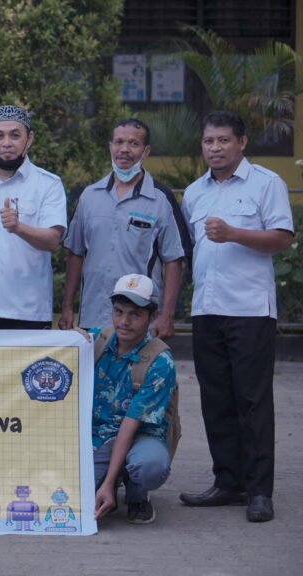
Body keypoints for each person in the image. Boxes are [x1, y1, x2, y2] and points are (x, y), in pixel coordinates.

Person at [178, 111, 294, 523]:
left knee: (252, 401)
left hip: (249, 311)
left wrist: (235, 233)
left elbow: (281, 238)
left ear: (241, 143)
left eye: (224, 141)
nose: (215, 148)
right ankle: (228, 482)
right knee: (216, 401)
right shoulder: (194, 192)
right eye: (209, 141)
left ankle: (260, 490)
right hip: (207, 310)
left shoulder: (267, 184)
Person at [61, 119, 188, 338]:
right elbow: (75, 253)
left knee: (138, 373)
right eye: (119, 142)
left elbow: (173, 260)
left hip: (140, 320)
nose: (124, 149)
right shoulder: (90, 196)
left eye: (133, 143)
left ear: (146, 151)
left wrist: (167, 315)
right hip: (93, 316)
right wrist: (67, 306)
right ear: (110, 146)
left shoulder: (160, 198)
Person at [78, 274, 176, 525]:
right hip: (97, 435)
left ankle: (136, 491)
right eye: (119, 311)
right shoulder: (97, 340)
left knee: (149, 466)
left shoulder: (160, 361)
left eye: (135, 314)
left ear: (152, 316)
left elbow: (130, 424)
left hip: (138, 435)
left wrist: (109, 483)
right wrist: (69, 342)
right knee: (75, 500)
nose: (124, 321)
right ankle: (103, 483)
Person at [0, 105, 67, 329]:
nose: (7, 143)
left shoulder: (48, 184)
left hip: (27, 312)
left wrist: (18, 227)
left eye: (15, 135)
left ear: (29, 139)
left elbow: (52, 240)